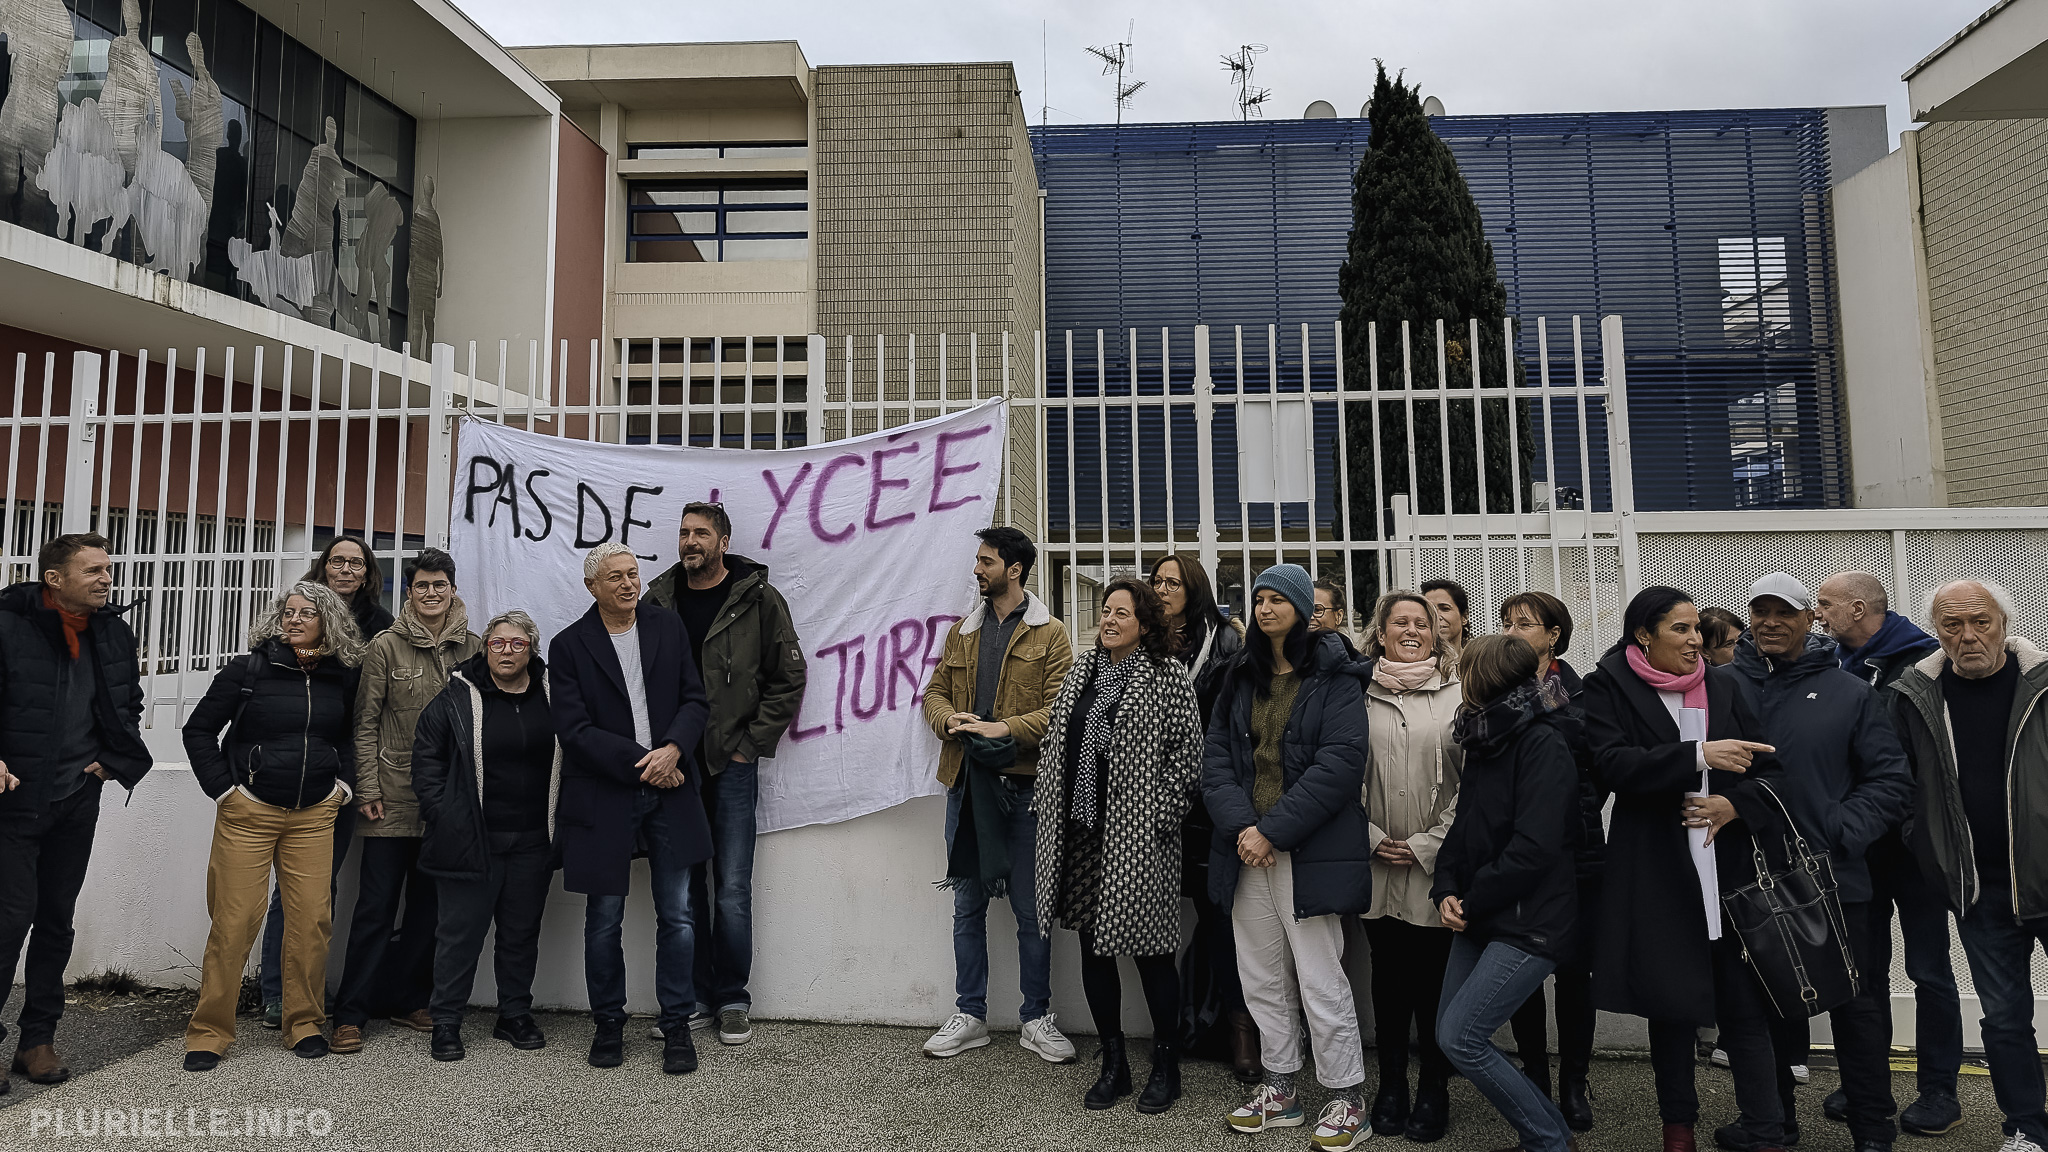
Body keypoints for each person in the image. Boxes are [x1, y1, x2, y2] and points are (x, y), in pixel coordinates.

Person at [1579, 585, 1786, 1152]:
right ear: (1644, 635)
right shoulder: (1608, 686)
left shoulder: (1725, 684)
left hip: (1730, 873)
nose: (1697, 640)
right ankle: (1679, 1130)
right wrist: (1697, 756)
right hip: (1658, 872)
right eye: (1681, 629)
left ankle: (1764, 1129)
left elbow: (1772, 769)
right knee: (1670, 1009)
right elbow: (1614, 765)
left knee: (1745, 1008)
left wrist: (1733, 804)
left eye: (1698, 629)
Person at [1729, 574, 1912, 1152]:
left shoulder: (1848, 691)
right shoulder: (1723, 685)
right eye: (1760, 612)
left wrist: (1840, 831)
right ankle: (1773, 1125)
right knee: (1764, 1013)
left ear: (1811, 620)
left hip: (1835, 879)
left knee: (1856, 1012)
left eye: (1784, 612)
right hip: (1748, 881)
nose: (1771, 623)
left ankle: (1872, 1132)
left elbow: (1890, 779)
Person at [1205, 563, 1373, 1152]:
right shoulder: (1240, 676)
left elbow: (1339, 766)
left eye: (1279, 598)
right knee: (1261, 977)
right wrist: (1243, 828)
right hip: (1247, 851)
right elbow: (1218, 761)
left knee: (1321, 977)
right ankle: (1281, 1087)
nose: (1266, 608)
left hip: (1309, 851)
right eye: (1259, 599)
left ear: (1304, 609)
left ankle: (1347, 1096)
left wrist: (1271, 831)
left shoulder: (1337, 676)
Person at [1032, 578, 1204, 1113]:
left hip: (1140, 836)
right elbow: (1059, 741)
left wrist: (1158, 813)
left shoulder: (1167, 677)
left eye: (1121, 613)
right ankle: (1114, 1064)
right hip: (1083, 837)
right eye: (1105, 611)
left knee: (1152, 954)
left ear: (1145, 624)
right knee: (1092, 950)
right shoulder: (1082, 671)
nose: (1108, 620)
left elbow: (1189, 756)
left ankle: (1166, 1065)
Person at [1889, 580, 2048, 1152]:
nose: (1967, 636)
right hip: (1981, 893)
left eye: (1979, 621)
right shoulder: (1916, 693)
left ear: (2005, 622)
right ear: (1937, 630)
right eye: (1952, 625)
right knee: (2005, 1021)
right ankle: (2027, 1128)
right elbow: (1899, 783)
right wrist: (1927, 846)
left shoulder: (2043, 684)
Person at [180, 582, 364, 1070]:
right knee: (234, 922)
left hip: (313, 817)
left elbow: (347, 738)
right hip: (249, 814)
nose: (295, 620)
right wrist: (225, 790)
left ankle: (303, 1022)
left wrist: (341, 788)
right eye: (289, 612)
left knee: (311, 923)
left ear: (329, 622)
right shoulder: (249, 669)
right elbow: (198, 729)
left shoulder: (340, 676)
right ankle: (209, 1031)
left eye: (308, 613)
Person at [645, 501, 807, 1047]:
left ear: (723, 540)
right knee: (684, 886)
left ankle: (733, 998)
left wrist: (748, 747)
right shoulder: (658, 598)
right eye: (684, 533)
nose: (690, 541)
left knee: (732, 887)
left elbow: (788, 678)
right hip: (674, 764)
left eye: (701, 533)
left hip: (731, 763)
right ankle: (692, 997)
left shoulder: (757, 598)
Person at [549, 543, 712, 1075]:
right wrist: (647, 761)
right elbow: (574, 731)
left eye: (633, 574)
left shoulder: (666, 627)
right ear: (593, 586)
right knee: (603, 919)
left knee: (679, 915)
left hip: (671, 786)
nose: (627, 584)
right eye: (615, 576)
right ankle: (609, 1024)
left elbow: (695, 701)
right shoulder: (569, 645)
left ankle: (677, 1026)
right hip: (606, 792)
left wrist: (673, 751)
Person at [0, 534, 152, 1093]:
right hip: (13, 803)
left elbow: (127, 699)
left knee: (56, 920)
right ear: (54, 578)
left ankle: (37, 1039)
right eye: (92, 570)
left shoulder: (112, 630)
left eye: (107, 569)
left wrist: (111, 759)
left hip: (74, 799)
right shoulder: (8, 625)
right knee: (9, 918)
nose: (105, 578)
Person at [920, 526, 1077, 1063]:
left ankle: (1037, 1017)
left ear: (1014, 569)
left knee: (1032, 908)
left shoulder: (1050, 633)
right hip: (966, 785)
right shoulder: (963, 632)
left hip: (1025, 789)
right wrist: (950, 721)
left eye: (986, 562)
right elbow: (935, 690)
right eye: (978, 561)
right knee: (967, 905)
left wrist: (1001, 728)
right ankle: (971, 1014)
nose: (977, 569)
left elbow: (1060, 710)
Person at [1814, 571, 1962, 1136]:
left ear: (1857, 609)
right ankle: (1864, 1083)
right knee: (1861, 973)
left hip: (1915, 848)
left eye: (1825, 604)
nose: (1819, 613)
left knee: (1929, 971)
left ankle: (1938, 1093)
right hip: (1857, 848)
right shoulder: (1829, 666)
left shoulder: (1925, 665)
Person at [1432, 634, 1581, 1152]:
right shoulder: (1483, 736)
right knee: (1454, 1037)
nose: (1459, 681)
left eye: (1465, 671)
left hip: (1530, 918)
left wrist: (1472, 900)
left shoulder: (1542, 741)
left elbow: (1534, 848)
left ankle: (1546, 1141)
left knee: (1461, 1037)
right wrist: (1446, 888)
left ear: (1486, 677)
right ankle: (1553, 1138)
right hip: (1482, 911)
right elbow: (1464, 827)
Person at [330, 549, 480, 1054]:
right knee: (374, 908)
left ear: (453, 590)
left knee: (427, 908)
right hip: (390, 800)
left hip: (448, 806)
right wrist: (368, 788)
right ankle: (350, 1012)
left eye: (440, 585)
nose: (432, 594)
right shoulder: (385, 648)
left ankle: (411, 998)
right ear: (409, 592)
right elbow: (365, 723)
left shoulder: (474, 650)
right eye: (422, 586)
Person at [411, 610, 560, 1062]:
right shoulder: (457, 697)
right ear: (485, 648)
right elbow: (427, 760)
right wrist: (447, 815)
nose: (507, 652)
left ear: (532, 649)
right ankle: (447, 1022)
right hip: (473, 839)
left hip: (534, 839)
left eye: (517, 644)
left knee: (520, 933)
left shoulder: (553, 695)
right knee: (460, 934)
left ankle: (514, 1014)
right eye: (498, 643)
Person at [259, 535, 389, 1027]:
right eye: (338, 560)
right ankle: (276, 991)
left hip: (343, 773)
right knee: (287, 892)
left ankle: (307, 991)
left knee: (323, 888)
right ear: (324, 565)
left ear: (367, 572)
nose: (347, 569)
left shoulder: (380, 625)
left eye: (357, 562)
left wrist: (359, 780)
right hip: (287, 773)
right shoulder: (294, 612)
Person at [1358, 589, 1465, 1142]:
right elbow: (1339, 771)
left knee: (1433, 981)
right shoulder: (1357, 692)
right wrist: (1372, 835)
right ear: (1379, 634)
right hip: (1374, 862)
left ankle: (1434, 1086)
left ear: (1436, 632)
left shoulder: (1459, 693)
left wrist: (1429, 842)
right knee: (1388, 979)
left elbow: (1473, 781)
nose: (1411, 630)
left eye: (1421, 623)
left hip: (1434, 866)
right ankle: (1392, 1084)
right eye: (1398, 622)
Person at [1148, 551, 1256, 1082]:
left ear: (1194, 589)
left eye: (1173, 582)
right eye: (1157, 581)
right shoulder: (1145, 641)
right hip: (1157, 800)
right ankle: (1174, 1030)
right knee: (1162, 915)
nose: (1163, 589)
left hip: (1210, 801)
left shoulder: (1227, 641)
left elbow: (1234, 723)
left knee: (1218, 916)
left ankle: (1240, 1030)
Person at [1500, 590, 1604, 1132]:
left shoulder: (1581, 692)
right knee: (1521, 974)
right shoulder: (1493, 690)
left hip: (1577, 849)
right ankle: (1535, 1075)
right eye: (1508, 622)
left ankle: (1574, 1080)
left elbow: (1599, 765)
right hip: (1516, 851)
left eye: (1526, 624)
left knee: (1573, 974)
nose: (1515, 630)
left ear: (1553, 636)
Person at [1421, 579, 1470, 654]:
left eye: (1445, 609)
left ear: (1464, 617)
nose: (1436, 616)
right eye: (1429, 610)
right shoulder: (1414, 663)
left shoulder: (1478, 661)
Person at [1313, 578, 1356, 647]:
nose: (1310, 617)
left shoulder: (1348, 656)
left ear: (1338, 616)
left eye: (1317, 610)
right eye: (1306, 610)